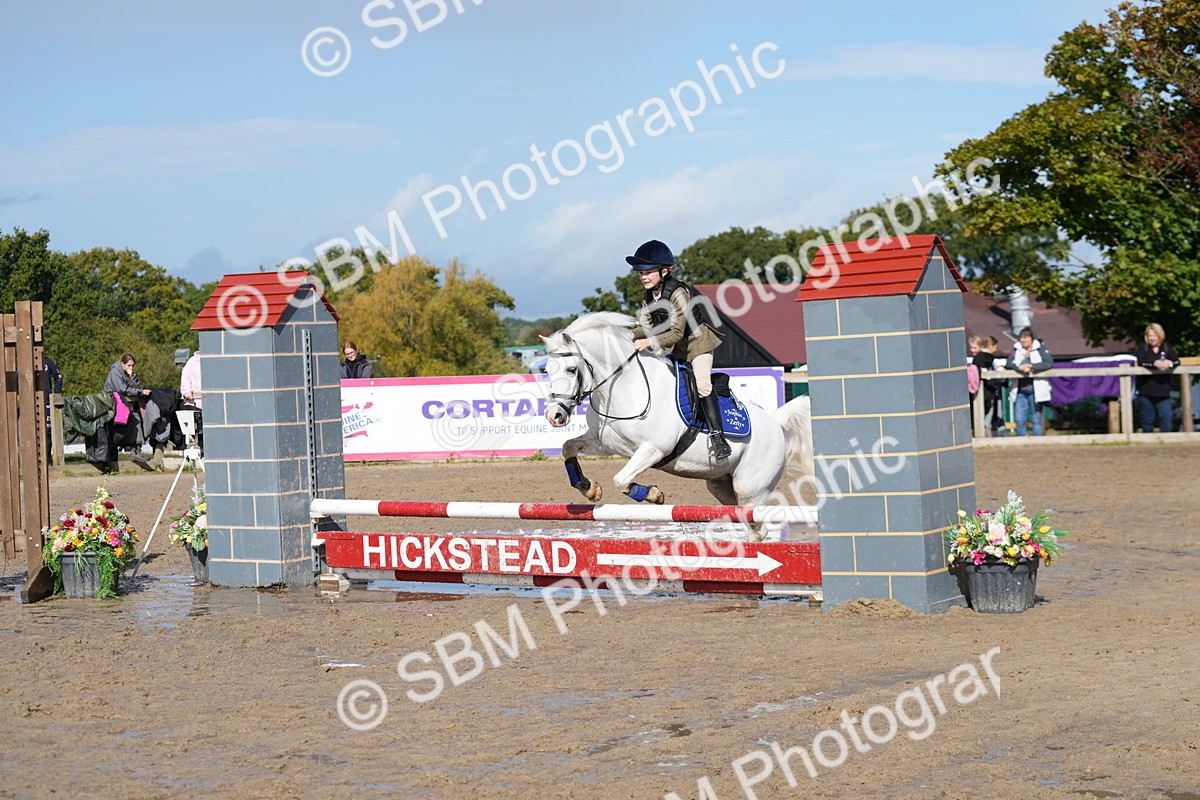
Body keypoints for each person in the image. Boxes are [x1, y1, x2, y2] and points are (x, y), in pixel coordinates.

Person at [626, 239, 730, 459]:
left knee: (701, 385)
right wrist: (622, 334)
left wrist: (649, 342)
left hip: (697, 342)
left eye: (648, 272)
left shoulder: (678, 292)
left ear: (664, 271)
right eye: (641, 273)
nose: (643, 276)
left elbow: (676, 332)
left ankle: (718, 437)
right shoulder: (649, 295)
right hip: (674, 345)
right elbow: (644, 326)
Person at [104, 354, 152, 465]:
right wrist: (140, 392)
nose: (131, 368)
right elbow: (123, 389)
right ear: (122, 364)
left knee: (137, 423)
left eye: (133, 365)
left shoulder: (130, 374)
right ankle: (112, 459)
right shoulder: (115, 373)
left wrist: (131, 378)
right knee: (119, 430)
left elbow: (136, 387)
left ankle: (136, 451)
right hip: (115, 405)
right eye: (129, 365)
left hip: (127, 404)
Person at [1134, 322, 1180, 433]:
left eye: (1154, 335)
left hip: (1163, 391)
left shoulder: (1167, 347)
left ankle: (1166, 441)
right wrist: (1154, 364)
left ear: (1159, 335)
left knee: (1166, 417)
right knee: (1147, 419)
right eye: (1149, 335)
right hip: (1146, 390)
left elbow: (1177, 361)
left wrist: (1169, 364)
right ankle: (1148, 442)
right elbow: (1141, 362)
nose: (1152, 338)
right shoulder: (1143, 347)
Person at [1008, 328, 1053, 436]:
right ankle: (1022, 442)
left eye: (1026, 337)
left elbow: (1049, 363)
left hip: (1036, 390)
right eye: (1022, 338)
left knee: (1036, 418)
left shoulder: (1040, 349)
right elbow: (1008, 363)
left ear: (1032, 338)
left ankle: (1037, 441)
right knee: (1019, 419)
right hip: (1020, 390)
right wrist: (1019, 367)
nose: (1023, 340)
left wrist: (1032, 366)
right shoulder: (1016, 349)